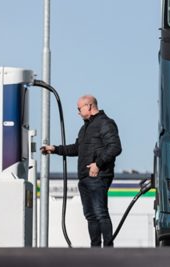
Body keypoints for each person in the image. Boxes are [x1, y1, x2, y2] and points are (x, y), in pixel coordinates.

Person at [40, 94, 122, 247]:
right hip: (84, 178)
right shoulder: (85, 128)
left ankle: (109, 250)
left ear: (89, 106)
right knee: (90, 215)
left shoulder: (105, 123)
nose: (77, 112)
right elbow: (77, 148)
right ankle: (95, 249)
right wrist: (55, 149)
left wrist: (98, 164)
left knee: (100, 213)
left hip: (98, 175)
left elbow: (115, 147)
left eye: (79, 108)